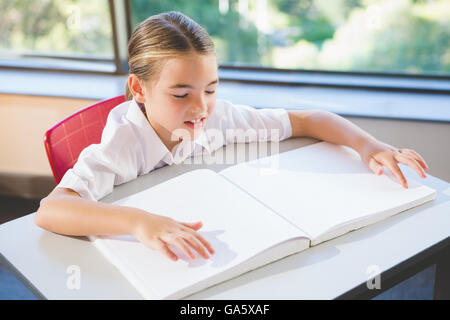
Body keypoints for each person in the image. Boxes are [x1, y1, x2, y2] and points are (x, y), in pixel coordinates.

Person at [35, 11, 429, 262]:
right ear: (138, 90)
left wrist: (369, 146)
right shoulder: (124, 142)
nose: (201, 108)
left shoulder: (218, 117)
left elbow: (310, 119)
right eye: (181, 94)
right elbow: (50, 211)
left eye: (210, 88)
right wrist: (139, 223)